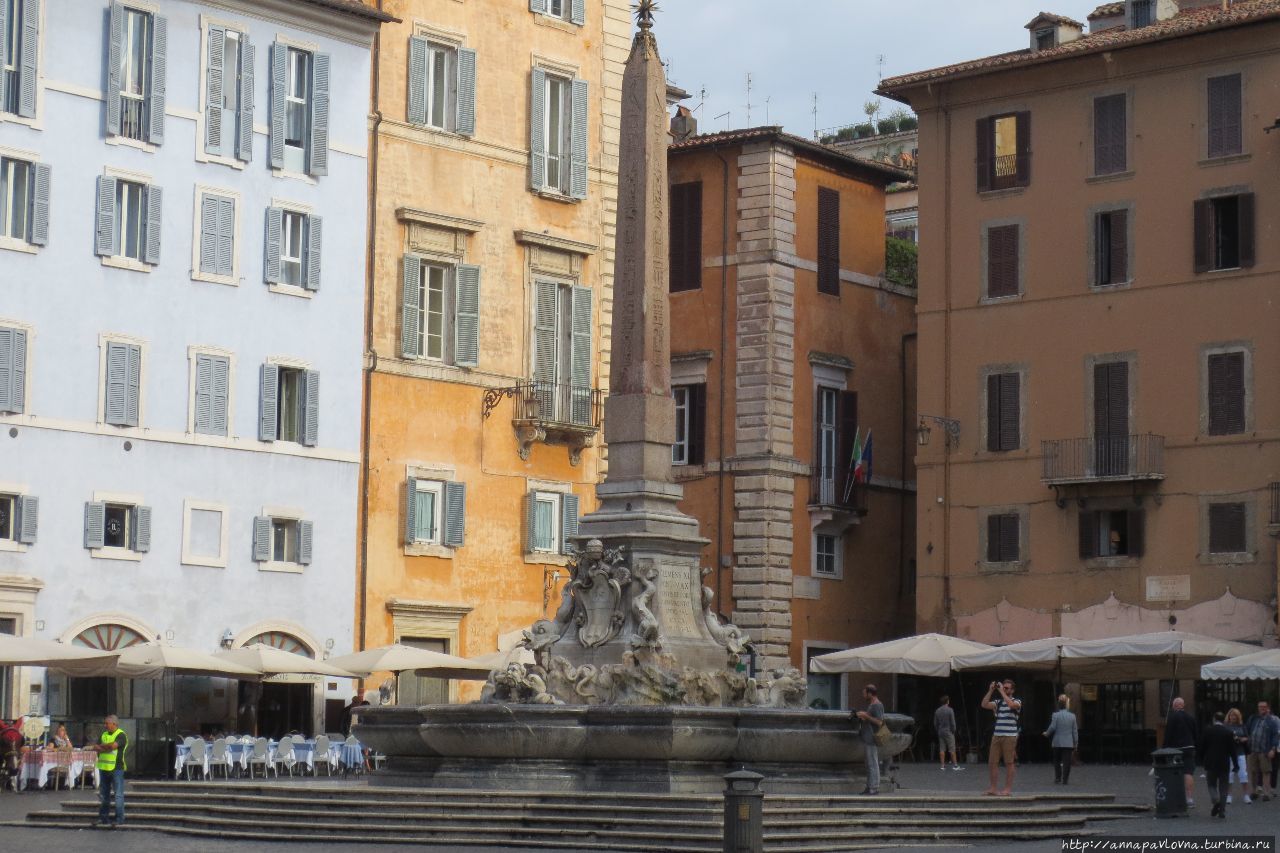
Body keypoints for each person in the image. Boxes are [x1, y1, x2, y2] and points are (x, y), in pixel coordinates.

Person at [981, 677, 1021, 795]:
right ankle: (993, 788)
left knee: (1009, 763)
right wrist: (991, 690)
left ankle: (1007, 789)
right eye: (1004, 687)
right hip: (997, 735)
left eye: (1007, 688)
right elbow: (984, 704)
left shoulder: (1017, 701)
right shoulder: (998, 702)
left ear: (1012, 690)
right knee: (992, 762)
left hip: (1010, 736)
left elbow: (1011, 705)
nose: (1005, 689)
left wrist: (1001, 691)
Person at [91, 715, 127, 828]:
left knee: (118, 795)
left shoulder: (121, 735)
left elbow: (113, 746)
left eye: (107, 723)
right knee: (104, 795)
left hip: (116, 768)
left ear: (114, 724)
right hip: (103, 767)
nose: (105, 725)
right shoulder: (104, 734)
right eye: (105, 723)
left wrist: (103, 747)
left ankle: (119, 818)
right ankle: (103, 818)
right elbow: (95, 747)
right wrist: (106, 747)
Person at [1200, 711, 1236, 819]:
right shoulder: (1228, 732)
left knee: (1211, 784)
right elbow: (1232, 750)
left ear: (1214, 719)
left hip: (1211, 762)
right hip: (1224, 762)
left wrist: (1201, 759)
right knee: (1224, 787)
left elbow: (1202, 747)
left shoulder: (1208, 731)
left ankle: (1216, 800)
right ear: (1223, 720)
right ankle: (1222, 811)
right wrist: (1236, 764)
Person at [1164, 697, 1199, 807]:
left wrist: (1164, 748)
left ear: (1174, 706)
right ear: (1183, 705)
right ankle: (1189, 799)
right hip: (1189, 748)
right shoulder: (1191, 717)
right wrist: (1195, 746)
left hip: (1175, 749)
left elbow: (1168, 735)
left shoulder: (1172, 717)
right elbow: (1195, 734)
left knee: (1174, 773)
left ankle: (1175, 797)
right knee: (1188, 773)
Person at [1245, 700, 1280, 802]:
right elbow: (1246, 729)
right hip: (1252, 750)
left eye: (1264, 707)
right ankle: (1254, 792)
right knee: (1253, 772)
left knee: (1266, 772)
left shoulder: (1272, 721)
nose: (1262, 708)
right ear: (1258, 708)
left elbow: (1275, 735)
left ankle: (1266, 793)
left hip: (1265, 751)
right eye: (1260, 707)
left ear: (1267, 708)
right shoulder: (1253, 718)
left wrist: (1273, 749)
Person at [854, 684, 886, 795]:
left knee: (872, 763)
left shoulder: (877, 705)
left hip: (872, 738)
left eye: (865, 693)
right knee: (869, 763)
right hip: (868, 737)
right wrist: (863, 716)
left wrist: (866, 716)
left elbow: (880, 722)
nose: (863, 696)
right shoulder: (872, 704)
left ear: (870, 693)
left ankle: (874, 788)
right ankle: (870, 786)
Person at [1043, 694, 1078, 785]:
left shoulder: (1055, 715)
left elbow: (1053, 727)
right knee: (1067, 762)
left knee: (1057, 761)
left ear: (1059, 705)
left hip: (1057, 742)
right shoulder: (1072, 716)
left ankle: (1058, 777)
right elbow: (1075, 731)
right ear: (1066, 705)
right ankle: (1065, 779)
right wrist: (1075, 743)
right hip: (1068, 742)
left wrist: (1047, 733)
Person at [1224, 707, 1252, 805]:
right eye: (1232, 715)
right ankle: (1229, 795)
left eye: (1235, 715)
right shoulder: (1225, 726)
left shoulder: (1242, 726)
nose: (1233, 717)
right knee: (1229, 775)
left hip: (1240, 752)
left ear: (1238, 716)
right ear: (1229, 716)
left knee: (1243, 774)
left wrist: (1243, 739)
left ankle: (1246, 795)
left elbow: (1247, 737)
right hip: (1229, 753)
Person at [934, 695, 960, 771]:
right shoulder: (950, 710)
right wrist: (953, 730)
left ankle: (942, 765)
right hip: (949, 731)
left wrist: (938, 730)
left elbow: (935, 723)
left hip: (940, 731)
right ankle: (955, 765)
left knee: (942, 749)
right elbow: (953, 722)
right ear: (947, 701)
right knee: (952, 748)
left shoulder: (937, 711)